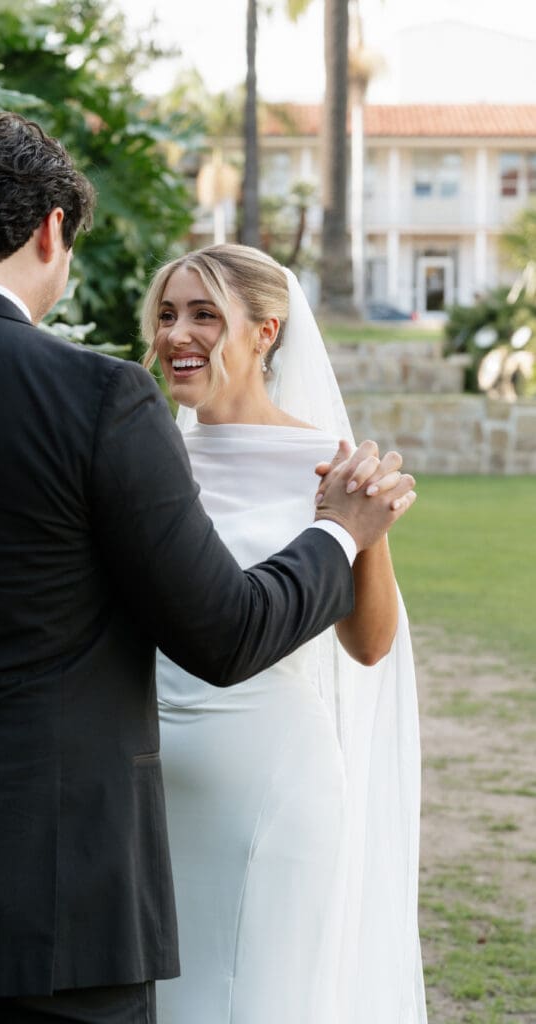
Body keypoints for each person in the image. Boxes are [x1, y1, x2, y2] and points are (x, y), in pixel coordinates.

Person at [0, 115, 415, 1024]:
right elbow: (224, 633)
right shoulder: (98, 399)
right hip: (54, 902)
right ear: (51, 232)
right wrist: (339, 534)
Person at [142, 244, 426, 1024]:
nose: (177, 334)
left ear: (267, 331)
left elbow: (370, 645)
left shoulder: (331, 466)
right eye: (167, 314)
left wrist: (361, 529)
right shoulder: (144, 458)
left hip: (271, 786)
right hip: (142, 789)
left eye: (204, 314)